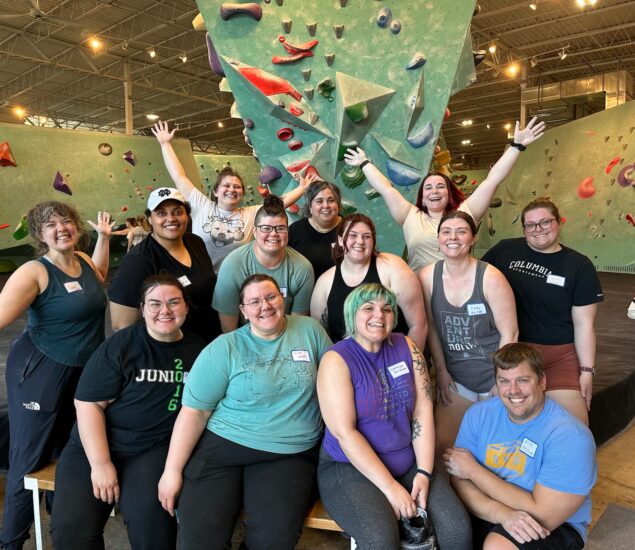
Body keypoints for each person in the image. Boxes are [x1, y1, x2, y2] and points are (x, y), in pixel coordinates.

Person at [157, 274, 331, 550]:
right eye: (254, 301)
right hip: (223, 445)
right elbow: (194, 413)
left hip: (287, 451)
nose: (265, 305)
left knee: (274, 541)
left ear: (282, 298)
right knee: (199, 540)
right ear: (243, 311)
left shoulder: (309, 331)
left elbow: (334, 386)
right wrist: (172, 471)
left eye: (271, 296)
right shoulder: (224, 348)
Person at [50, 275, 205, 550]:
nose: (165, 311)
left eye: (174, 302)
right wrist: (101, 464)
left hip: (153, 449)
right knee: (72, 531)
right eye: (155, 304)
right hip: (96, 445)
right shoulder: (121, 346)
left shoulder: (200, 351)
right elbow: (88, 405)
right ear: (142, 308)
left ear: (186, 307)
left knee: (152, 529)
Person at [317, 283, 471, 549]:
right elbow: (345, 433)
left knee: (457, 531)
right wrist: (390, 488)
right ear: (352, 314)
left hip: (409, 463)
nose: (379, 315)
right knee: (381, 540)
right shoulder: (336, 359)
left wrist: (423, 471)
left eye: (387, 309)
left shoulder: (407, 346)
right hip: (350, 468)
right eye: (368, 308)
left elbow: (423, 408)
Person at [0, 202, 113, 550]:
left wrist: (105, 239)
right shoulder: (34, 271)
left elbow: (99, 281)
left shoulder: (82, 259)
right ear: (39, 234)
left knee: (67, 454)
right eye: (51, 225)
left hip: (81, 373)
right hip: (40, 371)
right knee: (29, 458)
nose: (61, 228)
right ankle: (11, 542)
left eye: (66, 221)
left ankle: (60, 530)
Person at [444, 342, 597, 550]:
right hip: (490, 507)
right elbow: (459, 479)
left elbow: (542, 513)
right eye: (504, 381)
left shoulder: (571, 436)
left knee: (497, 546)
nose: (513, 390)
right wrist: (502, 514)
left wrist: (473, 471)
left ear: (542, 381)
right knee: (445, 530)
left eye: (523, 380)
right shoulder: (478, 414)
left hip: (557, 526)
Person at [343, 118, 545, 273]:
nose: (434, 191)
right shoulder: (410, 217)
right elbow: (386, 188)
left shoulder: (465, 213)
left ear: (449, 193)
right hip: (420, 295)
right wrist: (364, 163)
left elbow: (492, 180)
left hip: (459, 291)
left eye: (440, 187)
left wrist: (516, 146)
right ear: (422, 197)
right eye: (428, 188)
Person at [482, 197, 603, 425]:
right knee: (508, 419)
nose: (538, 229)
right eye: (531, 224)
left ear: (558, 223)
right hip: (512, 351)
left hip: (558, 355)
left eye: (545, 222)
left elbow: (584, 324)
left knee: (576, 427)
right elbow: (476, 281)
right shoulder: (505, 250)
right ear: (524, 228)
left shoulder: (579, 265)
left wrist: (587, 370)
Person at [419, 211, 518, 458]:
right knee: (443, 448)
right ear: (439, 238)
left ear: (473, 238)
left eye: (461, 231)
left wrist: (502, 380)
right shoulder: (427, 277)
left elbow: (510, 332)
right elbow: (431, 328)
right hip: (456, 379)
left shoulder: (491, 277)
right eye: (446, 232)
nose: (453, 238)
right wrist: (440, 371)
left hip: (492, 375)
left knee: (493, 451)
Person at [152, 120, 310, 272]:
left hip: (237, 277)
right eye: (226, 186)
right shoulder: (201, 205)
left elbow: (280, 204)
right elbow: (179, 176)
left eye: (237, 187)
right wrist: (165, 145)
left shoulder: (250, 214)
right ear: (216, 191)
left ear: (242, 193)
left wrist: (303, 188)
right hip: (204, 277)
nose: (232, 190)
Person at [108, 187, 220, 343]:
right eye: (161, 213)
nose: (171, 218)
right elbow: (121, 325)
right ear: (149, 219)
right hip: (176, 349)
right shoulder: (138, 261)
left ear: (186, 215)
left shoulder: (195, 242)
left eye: (177, 212)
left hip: (210, 339)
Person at [311, 213, 427, 350]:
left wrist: (410, 364)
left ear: (373, 242)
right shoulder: (325, 282)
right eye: (353, 235)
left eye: (367, 236)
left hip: (394, 358)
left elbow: (418, 325)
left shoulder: (393, 267)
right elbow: (319, 336)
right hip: (348, 363)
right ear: (341, 240)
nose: (360, 241)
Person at [213, 195, 314, 333]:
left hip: (285, 334)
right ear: (254, 231)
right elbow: (229, 329)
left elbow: (297, 324)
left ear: (287, 232)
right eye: (266, 228)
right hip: (245, 338)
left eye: (280, 228)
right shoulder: (233, 265)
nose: (274, 234)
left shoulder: (302, 268)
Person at [288, 179, 342, 279]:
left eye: (331, 200)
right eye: (319, 201)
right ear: (310, 206)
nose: (326, 206)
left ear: (338, 205)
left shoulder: (350, 229)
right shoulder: (295, 230)